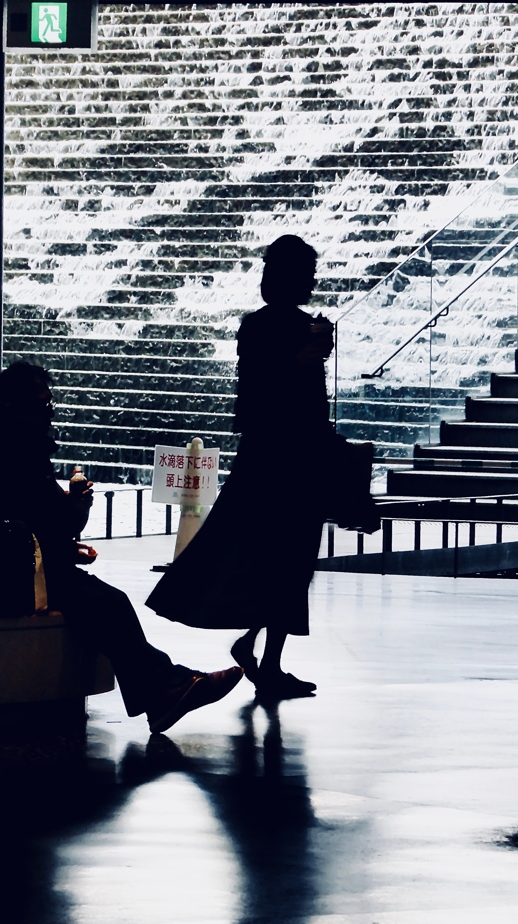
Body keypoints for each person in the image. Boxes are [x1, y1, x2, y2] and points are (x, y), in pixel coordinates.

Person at [146, 234, 378, 702]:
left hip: (271, 459)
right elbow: (287, 396)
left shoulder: (260, 327)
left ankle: (261, 653)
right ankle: (264, 658)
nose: (313, 280)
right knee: (290, 562)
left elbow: (253, 400)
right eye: (307, 272)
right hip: (290, 463)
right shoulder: (292, 331)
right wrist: (305, 361)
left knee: (274, 559)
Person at [0, 361, 243, 733]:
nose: (49, 414)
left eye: (49, 405)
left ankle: (164, 691)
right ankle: (166, 689)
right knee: (102, 602)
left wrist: (70, 517)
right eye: (42, 406)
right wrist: (60, 530)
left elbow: (44, 522)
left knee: (109, 600)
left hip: (26, 569)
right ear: (13, 408)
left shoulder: (16, 450)